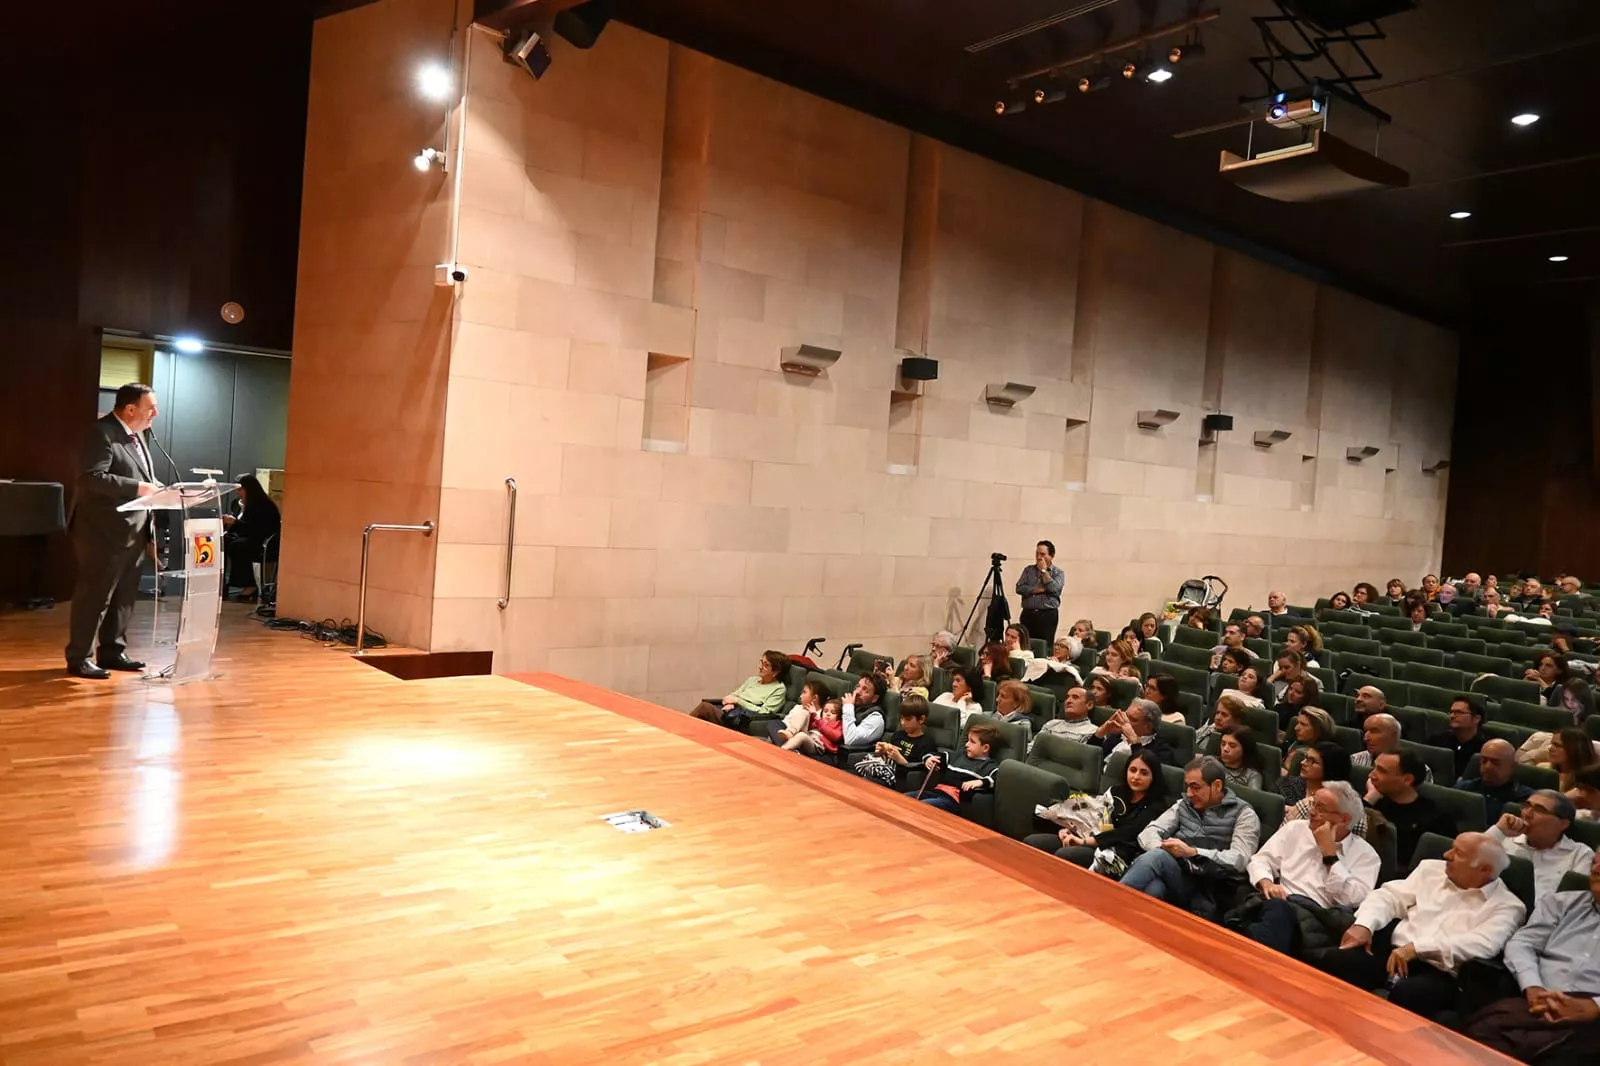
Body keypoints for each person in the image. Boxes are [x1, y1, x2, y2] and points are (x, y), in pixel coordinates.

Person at [1321, 832, 1524, 1018]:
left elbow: (1482, 944)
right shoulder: (1430, 870)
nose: (1446, 854)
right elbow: (1389, 896)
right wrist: (1364, 925)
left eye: (1458, 853)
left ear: (1484, 869)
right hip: (1392, 953)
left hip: (1440, 972)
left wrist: (1418, 949)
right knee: (1337, 959)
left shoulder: (1508, 906)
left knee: (1409, 993)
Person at [64, 382, 163, 679]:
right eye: (150, 408)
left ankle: (112, 650)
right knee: (96, 595)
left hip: (133, 530)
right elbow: (91, 478)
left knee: (124, 596)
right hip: (102, 532)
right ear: (131, 409)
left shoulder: (136, 436)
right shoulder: (102, 432)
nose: (155, 413)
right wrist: (138, 487)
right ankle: (79, 657)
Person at [1464, 851, 1600, 1064]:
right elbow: (1522, 944)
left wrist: (1594, 1007)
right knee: (1475, 1041)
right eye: (1595, 860)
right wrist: (1533, 987)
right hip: (1536, 1005)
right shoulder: (1559, 904)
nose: (1595, 869)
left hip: (1591, 1022)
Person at [1243, 782, 1381, 955]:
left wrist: (1330, 854)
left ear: (1344, 819)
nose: (1312, 812)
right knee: (1270, 913)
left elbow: (1352, 900)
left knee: (1268, 921)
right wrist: (1267, 883)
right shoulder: (1295, 829)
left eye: (1321, 808)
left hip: (1317, 919)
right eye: (1313, 804)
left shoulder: (1366, 855)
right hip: (1277, 901)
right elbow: (1261, 860)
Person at [1121, 756, 1262, 915]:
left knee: (1157, 860)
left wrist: (1193, 852)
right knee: (1154, 888)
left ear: (1216, 786)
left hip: (1208, 886)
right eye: (1187, 786)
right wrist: (1164, 847)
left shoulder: (1244, 814)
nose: (1189, 793)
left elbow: (1240, 858)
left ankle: (1109, 905)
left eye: (1195, 787)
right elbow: (1149, 832)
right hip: (1178, 873)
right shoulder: (1184, 804)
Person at [1024, 750, 1170, 873]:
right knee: (1032, 842)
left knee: (1066, 854)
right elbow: (1093, 817)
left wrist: (1085, 841)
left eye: (1144, 773)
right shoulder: (1116, 791)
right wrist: (1068, 829)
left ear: (1154, 777)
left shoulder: (1157, 806)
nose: (1136, 777)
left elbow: (1129, 832)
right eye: (1132, 770)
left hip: (1116, 856)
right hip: (1088, 838)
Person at [1488, 792, 1595, 903]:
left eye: (1539, 810)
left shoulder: (1580, 855)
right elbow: (1470, 861)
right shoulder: (1505, 837)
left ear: (1563, 824)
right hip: (1491, 906)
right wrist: (1498, 830)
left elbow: (1574, 902)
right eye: (1526, 806)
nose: (1527, 814)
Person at [1367, 750, 1454, 864]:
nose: (1371, 775)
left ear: (1407, 780)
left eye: (1381, 771)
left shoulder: (1436, 819)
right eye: (1374, 768)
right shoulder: (1374, 801)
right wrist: (1368, 800)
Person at [909, 722, 999, 814]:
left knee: (922, 807)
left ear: (985, 748)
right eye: (967, 740)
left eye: (972, 742)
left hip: (952, 801)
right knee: (905, 798)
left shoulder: (988, 766)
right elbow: (937, 755)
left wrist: (981, 782)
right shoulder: (959, 755)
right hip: (936, 791)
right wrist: (929, 758)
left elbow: (997, 779)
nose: (967, 744)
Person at [221, 472, 281, 600]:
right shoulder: (238, 504)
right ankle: (223, 582)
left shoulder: (263, 505)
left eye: (241, 490)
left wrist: (235, 522)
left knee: (239, 546)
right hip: (246, 536)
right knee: (224, 542)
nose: (238, 493)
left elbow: (257, 529)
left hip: (262, 541)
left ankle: (250, 585)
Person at [690, 650, 789, 727]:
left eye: (766, 665)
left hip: (743, 719)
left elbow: (765, 712)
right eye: (761, 662)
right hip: (731, 711)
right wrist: (731, 703)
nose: (760, 667)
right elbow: (734, 694)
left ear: (776, 671)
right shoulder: (753, 680)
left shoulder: (778, 689)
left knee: (705, 708)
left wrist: (738, 701)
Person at [862, 695, 937, 789]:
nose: (903, 723)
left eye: (908, 719)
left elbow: (917, 773)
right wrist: (881, 752)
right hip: (885, 772)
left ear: (921, 719)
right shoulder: (898, 735)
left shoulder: (927, 743)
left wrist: (899, 759)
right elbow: (887, 759)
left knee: (867, 783)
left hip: (900, 781)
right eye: (901, 718)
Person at [1282, 743, 1360, 830]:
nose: (1303, 762)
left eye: (1312, 761)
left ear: (1330, 768)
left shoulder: (1342, 801)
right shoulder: (1287, 784)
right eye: (1305, 758)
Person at [1456, 738, 1534, 821]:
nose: (1488, 767)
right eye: (1484, 761)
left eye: (1495, 763)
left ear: (1513, 767)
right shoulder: (1463, 788)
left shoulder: (1526, 799)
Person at [1093, 699, 1174, 769]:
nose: (1125, 722)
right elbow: (1090, 761)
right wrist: (1100, 733)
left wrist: (1135, 742)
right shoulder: (1117, 736)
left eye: (1133, 719)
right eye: (1126, 716)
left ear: (1149, 726)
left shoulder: (1162, 750)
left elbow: (1146, 773)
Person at [1353, 713, 1432, 783]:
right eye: (1366, 731)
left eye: (1374, 731)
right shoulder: (1354, 760)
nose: (1365, 738)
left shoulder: (1417, 770)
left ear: (1394, 735)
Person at [1426, 695, 1488, 780]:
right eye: (1451, 712)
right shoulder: (1436, 741)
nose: (1452, 716)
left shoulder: (1484, 749)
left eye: (1459, 712)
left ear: (1476, 718)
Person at [1014, 540, 1064, 645]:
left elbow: (1054, 589)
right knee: (1025, 643)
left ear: (1051, 556)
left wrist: (1044, 571)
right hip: (1028, 613)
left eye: (1042, 554)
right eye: (1037, 554)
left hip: (1047, 615)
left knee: (1044, 645)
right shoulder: (1029, 570)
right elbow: (1019, 588)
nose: (1039, 557)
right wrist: (1036, 590)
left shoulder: (1058, 573)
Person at [777, 698, 844, 756]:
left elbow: (836, 736)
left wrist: (819, 721)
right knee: (804, 712)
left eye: (833, 712)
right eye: (825, 711)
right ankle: (790, 732)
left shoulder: (837, 724)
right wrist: (812, 714)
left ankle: (782, 750)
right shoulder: (819, 720)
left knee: (801, 736)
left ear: (839, 716)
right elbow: (810, 725)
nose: (828, 714)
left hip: (817, 745)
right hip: (809, 735)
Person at [1033, 686, 1098, 745]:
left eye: (1075, 697)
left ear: (1089, 705)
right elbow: (1033, 747)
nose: (1068, 701)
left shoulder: (1093, 732)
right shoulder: (1051, 724)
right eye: (1067, 697)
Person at [840, 673, 887, 749]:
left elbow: (850, 739)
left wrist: (848, 707)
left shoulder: (876, 718)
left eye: (865, 689)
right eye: (858, 686)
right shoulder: (854, 706)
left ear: (874, 698)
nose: (858, 692)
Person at [1217, 727, 1263, 792]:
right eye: (1223, 744)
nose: (1225, 749)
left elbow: (1253, 799)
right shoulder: (1212, 763)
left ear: (1245, 749)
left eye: (1232, 746)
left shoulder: (1252, 775)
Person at [993, 679, 1035, 745]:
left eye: (1003, 696)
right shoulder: (988, 715)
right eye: (998, 695)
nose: (997, 700)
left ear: (1017, 703)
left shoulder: (1022, 725)